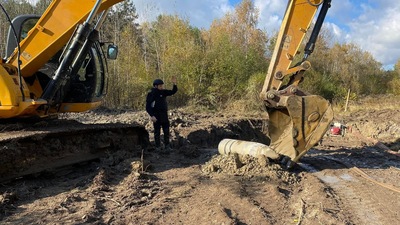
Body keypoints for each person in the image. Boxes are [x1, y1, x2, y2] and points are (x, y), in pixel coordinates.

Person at [146, 76, 178, 152]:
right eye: (160, 86)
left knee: (166, 131)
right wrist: (152, 116)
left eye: (162, 85)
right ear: (155, 86)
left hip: (164, 114)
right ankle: (158, 147)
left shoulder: (163, 92)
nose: (162, 87)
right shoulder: (151, 94)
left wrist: (174, 83)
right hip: (156, 115)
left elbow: (173, 91)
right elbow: (148, 106)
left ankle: (167, 146)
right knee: (157, 132)